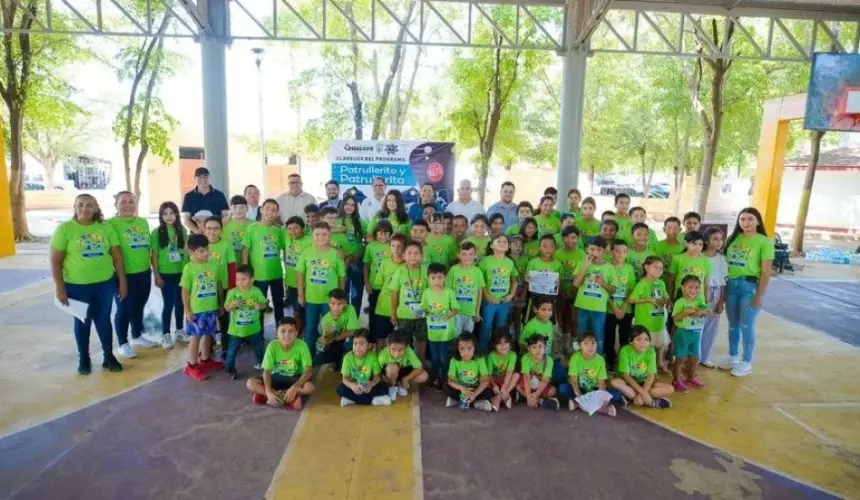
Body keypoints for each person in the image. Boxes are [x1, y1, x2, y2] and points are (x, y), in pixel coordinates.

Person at [50, 193, 126, 374]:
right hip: (77, 286)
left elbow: (117, 256)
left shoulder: (105, 228)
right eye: (81, 205)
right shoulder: (65, 229)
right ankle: (84, 357)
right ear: (75, 208)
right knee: (82, 321)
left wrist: (122, 281)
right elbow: (55, 261)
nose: (85, 208)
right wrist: (60, 287)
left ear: (96, 208)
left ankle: (109, 356)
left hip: (105, 284)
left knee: (103, 320)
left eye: (89, 205)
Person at [718, 207, 773, 377]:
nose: (746, 223)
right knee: (733, 324)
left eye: (750, 219)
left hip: (749, 287)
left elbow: (765, 272)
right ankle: (733, 356)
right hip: (731, 286)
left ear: (758, 221)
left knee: (746, 325)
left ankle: (746, 361)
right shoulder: (733, 239)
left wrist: (759, 296)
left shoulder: (764, 242)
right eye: (742, 219)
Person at [109, 191, 155, 358]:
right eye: (123, 202)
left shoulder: (142, 222)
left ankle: (137, 336)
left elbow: (147, 247)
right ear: (116, 205)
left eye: (131, 202)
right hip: (123, 275)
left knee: (139, 305)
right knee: (124, 308)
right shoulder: (110, 224)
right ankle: (123, 342)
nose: (127, 205)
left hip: (143, 272)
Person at [296, 222, 347, 361]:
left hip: (330, 302)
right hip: (311, 298)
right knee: (311, 328)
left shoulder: (336, 254)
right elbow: (300, 274)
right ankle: (308, 356)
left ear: (330, 235)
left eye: (324, 234)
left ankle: (325, 356)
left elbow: (341, 276)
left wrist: (341, 298)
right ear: (312, 236)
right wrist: (300, 294)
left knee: (329, 329)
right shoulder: (307, 252)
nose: (320, 237)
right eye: (317, 234)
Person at [180, 234, 225, 381]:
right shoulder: (189, 268)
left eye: (207, 249)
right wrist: (187, 310)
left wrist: (220, 303)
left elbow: (218, 285)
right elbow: (185, 290)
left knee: (208, 334)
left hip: (211, 307)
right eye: (201, 251)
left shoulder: (213, 264)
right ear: (191, 252)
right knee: (195, 337)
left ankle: (205, 360)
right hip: (196, 311)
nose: (206, 253)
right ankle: (191, 366)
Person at [247, 317, 314, 410]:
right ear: (276, 334)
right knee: (250, 383)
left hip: (295, 378)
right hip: (276, 377)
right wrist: (268, 390)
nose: (287, 334)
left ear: (296, 334)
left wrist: (295, 387)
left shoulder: (302, 346)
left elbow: (308, 371)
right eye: (283, 331)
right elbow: (267, 371)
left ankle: (272, 397)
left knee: (309, 387)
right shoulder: (272, 346)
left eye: (291, 331)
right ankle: (284, 398)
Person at [242, 199, 286, 325]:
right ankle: (258, 333)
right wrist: (246, 271)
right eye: (267, 208)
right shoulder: (251, 228)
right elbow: (245, 250)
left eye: (273, 210)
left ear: (277, 213)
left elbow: (286, 249)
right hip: (258, 275)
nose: (270, 212)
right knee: (259, 304)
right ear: (261, 210)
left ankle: (280, 328)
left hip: (277, 274)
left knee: (279, 303)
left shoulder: (279, 230)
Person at [151, 201, 188, 349]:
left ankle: (179, 330)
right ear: (161, 216)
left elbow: (186, 252)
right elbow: (154, 255)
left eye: (171, 213)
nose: (168, 216)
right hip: (165, 273)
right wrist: (156, 274)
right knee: (169, 303)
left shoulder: (182, 230)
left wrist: (187, 272)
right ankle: (165, 334)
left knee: (181, 303)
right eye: (165, 213)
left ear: (176, 214)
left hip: (181, 272)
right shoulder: (157, 232)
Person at [610, 325, 674, 408]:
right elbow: (626, 376)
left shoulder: (651, 351)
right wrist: (643, 393)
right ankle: (652, 402)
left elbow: (651, 375)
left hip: (645, 384)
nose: (643, 342)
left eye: (646, 339)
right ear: (630, 341)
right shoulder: (625, 350)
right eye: (639, 339)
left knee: (670, 389)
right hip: (630, 383)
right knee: (615, 382)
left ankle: (634, 397)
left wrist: (642, 393)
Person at [573, 237, 616, 354]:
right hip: (583, 307)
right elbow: (576, 284)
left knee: (598, 336)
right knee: (582, 334)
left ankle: (599, 362)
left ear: (604, 251)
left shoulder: (610, 267)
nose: (595, 253)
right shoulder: (582, 263)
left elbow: (613, 290)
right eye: (592, 249)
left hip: (599, 309)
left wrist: (603, 283)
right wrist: (585, 267)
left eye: (599, 250)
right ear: (587, 249)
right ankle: (580, 360)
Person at [223, 265, 268, 379]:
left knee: (258, 347)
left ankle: (262, 363)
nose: (240, 282)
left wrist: (260, 306)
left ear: (252, 279)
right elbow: (226, 308)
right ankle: (230, 368)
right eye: (238, 279)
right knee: (232, 350)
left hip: (254, 328)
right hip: (236, 330)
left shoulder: (256, 291)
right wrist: (233, 305)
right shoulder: (232, 293)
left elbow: (264, 304)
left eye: (243, 279)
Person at [389, 240, 429, 361]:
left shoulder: (426, 271)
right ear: (404, 256)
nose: (413, 256)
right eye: (409, 253)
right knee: (403, 343)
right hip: (404, 315)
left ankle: (420, 365)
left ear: (421, 256)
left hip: (422, 315)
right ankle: (405, 365)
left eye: (416, 253)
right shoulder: (400, 271)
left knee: (421, 342)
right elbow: (394, 293)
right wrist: (393, 314)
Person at [629, 256, 670, 373]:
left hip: (659, 319)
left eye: (661, 268)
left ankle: (660, 363)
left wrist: (665, 300)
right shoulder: (642, 283)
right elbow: (632, 299)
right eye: (656, 267)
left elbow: (666, 296)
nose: (659, 270)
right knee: (646, 345)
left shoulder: (661, 283)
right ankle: (646, 367)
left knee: (661, 343)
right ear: (647, 267)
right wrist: (647, 299)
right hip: (645, 321)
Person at [671, 275, 712, 392]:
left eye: (696, 287)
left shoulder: (699, 301)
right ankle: (677, 380)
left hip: (696, 335)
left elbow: (709, 311)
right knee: (680, 358)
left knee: (695, 358)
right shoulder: (680, 302)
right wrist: (685, 313)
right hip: (683, 334)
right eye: (690, 287)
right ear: (683, 288)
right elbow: (676, 318)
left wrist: (702, 311)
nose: (693, 290)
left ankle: (691, 377)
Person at [559, 331, 615, 417]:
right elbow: (573, 380)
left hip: (594, 390)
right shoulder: (575, 358)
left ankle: (577, 404)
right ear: (580, 346)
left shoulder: (600, 359)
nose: (590, 347)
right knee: (563, 388)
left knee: (616, 393)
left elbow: (601, 382)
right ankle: (601, 408)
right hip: (580, 389)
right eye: (585, 343)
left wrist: (601, 397)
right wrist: (580, 397)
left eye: (593, 343)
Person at [421, 263, 458, 390]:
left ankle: (444, 380)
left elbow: (455, 309)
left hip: (445, 333)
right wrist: (424, 312)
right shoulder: (426, 293)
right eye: (433, 277)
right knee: (435, 358)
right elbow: (423, 309)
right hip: (432, 333)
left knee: (443, 358)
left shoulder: (449, 292)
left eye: (440, 277)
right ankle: (433, 378)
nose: (436, 280)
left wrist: (450, 313)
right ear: (428, 278)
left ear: (445, 278)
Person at [479, 235, 518, 354]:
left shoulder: (510, 262)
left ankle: (498, 353)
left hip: (503, 303)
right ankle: (483, 353)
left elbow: (514, 280)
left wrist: (511, 295)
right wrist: (487, 297)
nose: (502, 243)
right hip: (489, 302)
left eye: (505, 242)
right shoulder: (485, 261)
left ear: (508, 246)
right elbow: (480, 282)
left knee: (500, 328)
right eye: (499, 241)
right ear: (491, 245)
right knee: (486, 327)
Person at [337, 329, 392, 406]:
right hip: (355, 385)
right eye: (355, 343)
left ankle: (351, 400)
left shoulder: (372, 356)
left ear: (369, 345)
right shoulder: (347, 357)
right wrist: (352, 386)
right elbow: (345, 378)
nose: (357, 347)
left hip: (368, 385)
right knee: (340, 389)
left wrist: (371, 384)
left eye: (362, 344)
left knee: (385, 388)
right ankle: (373, 400)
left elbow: (378, 376)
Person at [605, 239, 636, 370]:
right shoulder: (606, 267)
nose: (621, 254)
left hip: (625, 309)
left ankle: (624, 361)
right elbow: (604, 290)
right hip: (609, 309)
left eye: (624, 251)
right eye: (617, 251)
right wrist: (614, 308)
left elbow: (631, 289)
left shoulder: (629, 268)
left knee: (625, 336)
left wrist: (623, 308)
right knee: (609, 337)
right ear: (612, 252)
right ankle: (611, 360)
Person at [701, 227, 727, 369]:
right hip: (699, 293)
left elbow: (723, 282)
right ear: (706, 241)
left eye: (721, 239)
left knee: (711, 327)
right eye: (714, 239)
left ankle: (705, 356)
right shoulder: (699, 256)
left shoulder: (722, 259)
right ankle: (693, 356)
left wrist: (721, 301)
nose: (718, 242)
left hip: (715, 293)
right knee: (697, 325)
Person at [554, 226, 585, 348]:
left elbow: (582, 275)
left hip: (576, 292)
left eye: (573, 237)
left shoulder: (582, 254)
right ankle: (565, 342)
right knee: (562, 316)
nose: (570, 240)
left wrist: (574, 289)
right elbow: (555, 273)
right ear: (562, 238)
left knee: (574, 318)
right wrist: (561, 290)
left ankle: (575, 342)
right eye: (567, 237)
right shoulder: (557, 254)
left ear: (578, 238)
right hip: (560, 291)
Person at [373, 234, 406, 349]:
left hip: (402, 308)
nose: (396, 249)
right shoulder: (385, 262)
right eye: (393, 246)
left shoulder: (408, 265)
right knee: (381, 336)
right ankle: (379, 364)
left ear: (404, 247)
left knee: (400, 339)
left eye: (399, 246)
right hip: (383, 306)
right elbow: (379, 282)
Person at [445, 334, 493, 411]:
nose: (466, 352)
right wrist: (462, 388)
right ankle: (475, 403)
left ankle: (461, 401)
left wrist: (474, 394)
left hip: (475, 388)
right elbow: (450, 380)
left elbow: (485, 380)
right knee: (446, 387)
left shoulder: (480, 359)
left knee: (489, 392)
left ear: (475, 348)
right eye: (462, 349)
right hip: (460, 388)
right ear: (457, 349)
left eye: (469, 348)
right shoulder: (454, 360)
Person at [447, 241, 485, 335]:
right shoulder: (453, 270)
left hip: (470, 312)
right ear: (458, 255)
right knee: (455, 337)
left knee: (467, 337)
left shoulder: (477, 271)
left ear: (475, 255)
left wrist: (477, 312)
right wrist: (449, 309)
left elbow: (479, 293)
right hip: (456, 312)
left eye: (471, 254)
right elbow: (448, 291)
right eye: (464, 254)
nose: (467, 257)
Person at [378, 330, 429, 401]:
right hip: (389, 374)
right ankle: (393, 386)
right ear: (388, 345)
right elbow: (377, 372)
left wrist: (407, 378)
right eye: (393, 349)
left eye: (400, 350)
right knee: (391, 368)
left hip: (404, 373)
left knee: (424, 376)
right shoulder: (383, 355)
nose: (396, 354)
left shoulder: (409, 351)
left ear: (407, 346)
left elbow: (419, 368)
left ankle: (401, 385)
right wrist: (387, 382)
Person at [363, 220, 393, 334]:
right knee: (373, 310)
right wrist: (366, 283)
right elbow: (366, 265)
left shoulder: (393, 246)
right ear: (375, 234)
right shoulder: (370, 247)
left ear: (390, 234)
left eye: (385, 233)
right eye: (380, 233)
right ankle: (372, 336)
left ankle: (389, 335)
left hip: (390, 286)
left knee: (389, 311)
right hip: (374, 285)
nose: (382, 236)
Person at [181, 167, 230, 234]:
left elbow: (226, 216)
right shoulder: (189, 196)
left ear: (210, 178)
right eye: (200, 177)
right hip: (196, 235)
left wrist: (215, 230)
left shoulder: (219, 195)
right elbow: (186, 220)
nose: (203, 180)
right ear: (195, 179)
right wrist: (198, 231)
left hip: (215, 234)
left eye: (205, 177)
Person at [318, 288, 360, 367]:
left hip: (347, 337)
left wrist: (337, 337)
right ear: (328, 304)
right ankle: (337, 363)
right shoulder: (325, 320)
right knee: (326, 355)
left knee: (349, 344)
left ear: (345, 303)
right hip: (335, 339)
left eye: (339, 304)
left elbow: (353, 331)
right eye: (333, 304)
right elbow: (327, 339)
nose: (336, 307)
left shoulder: (350, 308)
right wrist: (326, 340)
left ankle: (351, 362)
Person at [517, 335, 560, 410]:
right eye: (534, 347)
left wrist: (537, 394)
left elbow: (545, 379)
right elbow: (526, 377)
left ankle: (533, 399)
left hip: (541, 385)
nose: (537, 350)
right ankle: (534, 399)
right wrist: (528, 394)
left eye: (540, 346)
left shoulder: (549, 360)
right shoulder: (526, 358)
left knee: (553, 391)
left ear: (545, 348)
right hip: (528, 384)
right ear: (528, 349)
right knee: (518, 387)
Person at [283, 217, 311, 333]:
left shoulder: (310, 240)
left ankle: (306, 330)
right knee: (297, 309)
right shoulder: (287, 238)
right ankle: (298, 331)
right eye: (289, 228)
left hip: (307, 283)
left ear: (303, 229)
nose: (293, 231)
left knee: (306, 309)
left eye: (296, 228)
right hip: (291, 282)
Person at [338, 195, 366, 312]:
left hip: (356, 262)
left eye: (353, 205)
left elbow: (367, 239)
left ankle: (354, 317)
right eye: (347, 204)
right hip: (341, 262)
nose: (349, 207)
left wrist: (358, 255)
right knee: (342, 291)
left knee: (356, 292)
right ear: (342, 205)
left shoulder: (360, 222)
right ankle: (344, 318)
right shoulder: (336, 221)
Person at [668, 231, 712, 304]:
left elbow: (706, 283)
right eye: (694, 244)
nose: (697, 247)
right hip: (680, 298)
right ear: (686, 243)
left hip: (699, 300)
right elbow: (671, 281)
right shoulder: (677, 259)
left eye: (700, 244)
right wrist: (669, 296)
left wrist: (707, 301)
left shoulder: (706, 261)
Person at [487, 332, 519, 411]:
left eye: (506, 342)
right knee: (485, 380)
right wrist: (494, 385)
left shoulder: (512, 355)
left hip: (506, 381)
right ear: (494, 345)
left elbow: (509, 372)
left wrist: (504, 388)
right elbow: (489, 375)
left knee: (516, 375)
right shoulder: (491, 355)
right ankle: (505, 397)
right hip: (495, 380)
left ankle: (499, 397)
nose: (503, 346)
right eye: (500, 343)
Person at [224, 195, 253, 260]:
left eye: (242, 207)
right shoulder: (224, 224)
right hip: (229, 263)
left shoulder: (254, 225)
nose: (238, 210)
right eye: (235, 207)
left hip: (249, 264)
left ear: (247, 208)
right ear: (230, 208)